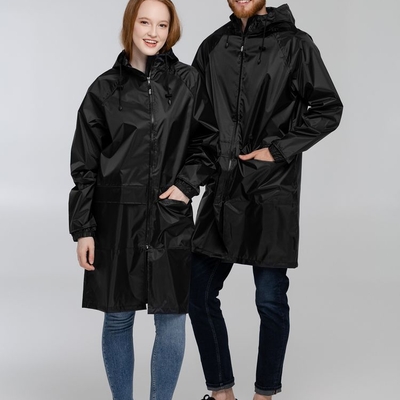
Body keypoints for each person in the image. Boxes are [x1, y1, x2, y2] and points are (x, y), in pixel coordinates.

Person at [189, 1, 343, 400]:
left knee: (270, 299)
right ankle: (221, 393)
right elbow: (194, 121)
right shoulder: (212, 47)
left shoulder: (295, 45)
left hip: (272, 191)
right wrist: (189, 179)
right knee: (197, 293)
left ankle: (265, 395)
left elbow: (328, 107)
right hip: (222, 190)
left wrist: (277, 151)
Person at [68, 1, 217, 399]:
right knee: (118, 318)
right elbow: (84, 164)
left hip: (169, 217)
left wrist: (186, 185)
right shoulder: (104, 89)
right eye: (145, 22)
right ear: (130, 24)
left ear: (171, 30)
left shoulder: (188, 82)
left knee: (171, 319)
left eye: (162, 25)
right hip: (116, 220)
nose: (153, 32)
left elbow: (209, 143)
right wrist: (84, 229)